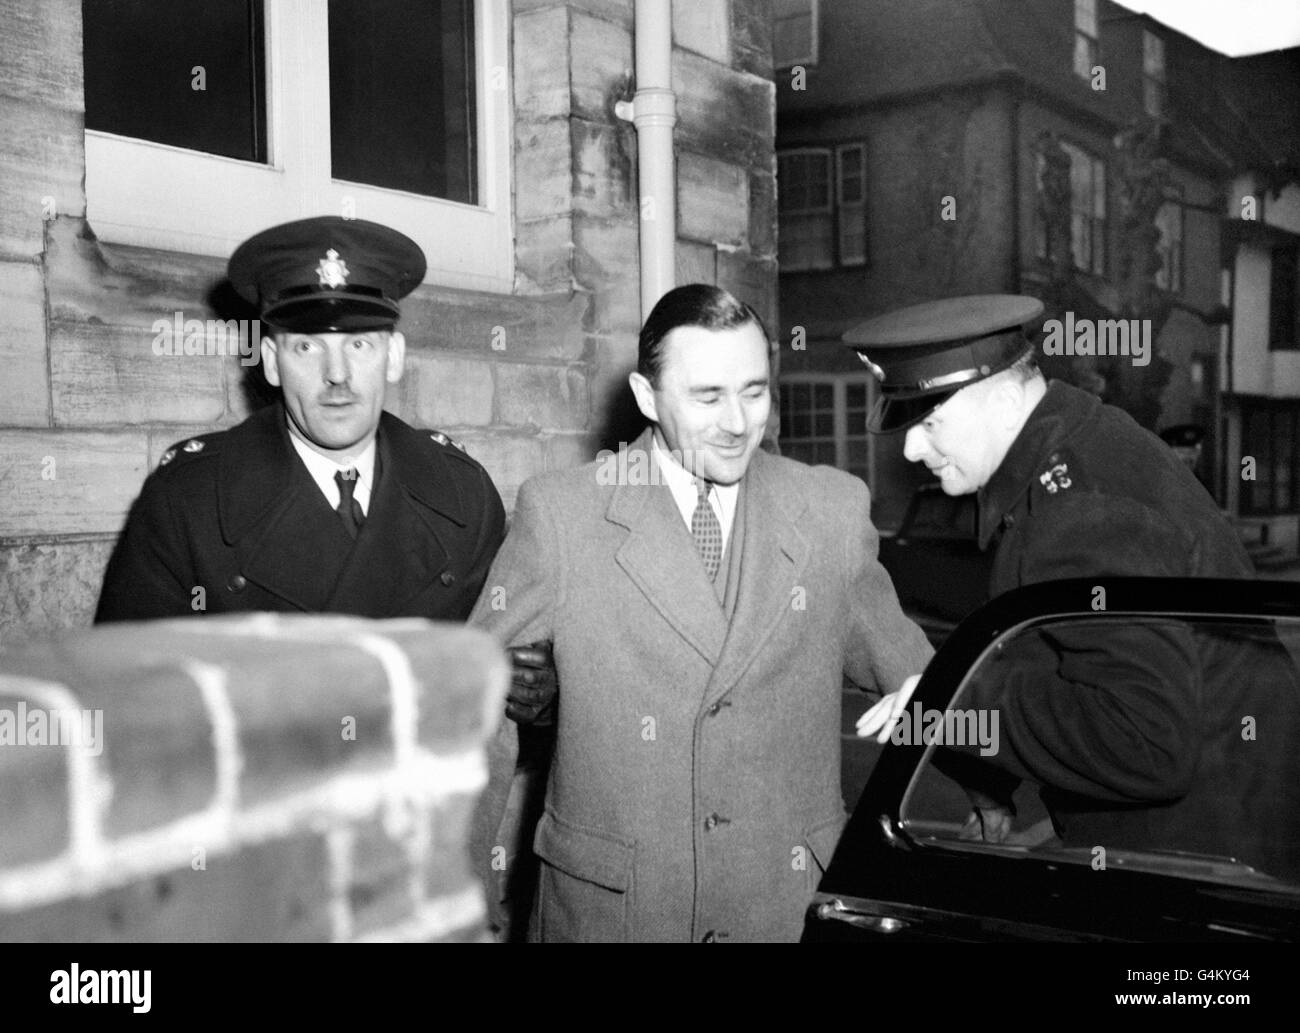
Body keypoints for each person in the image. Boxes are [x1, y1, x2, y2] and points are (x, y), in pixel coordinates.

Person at [469, 284, 932, 942]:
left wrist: (979, 793)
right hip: (616, 916)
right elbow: (473, 714)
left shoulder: (829, 513)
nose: (739, 422)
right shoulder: (564, 516)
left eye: (755, 390)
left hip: (782, 910)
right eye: (708, 396)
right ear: (645, 396)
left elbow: (923, 684)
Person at [848, 295, 1300, 879]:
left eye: (930, 421)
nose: (911, 448)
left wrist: (951, 705)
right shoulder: (1086, 446)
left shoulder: (1076, 510)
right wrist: (990, 777)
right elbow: (1068, 662)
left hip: (1202, 868)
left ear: (1009, 399)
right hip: (1234, 839)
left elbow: (1144, 740)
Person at [95, 216, 552, 726]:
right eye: (307, 346)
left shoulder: (461, 495)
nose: (337, 376)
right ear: (270, 361)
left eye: (359, 345)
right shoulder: (189, 500)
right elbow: (127, 703)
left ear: (393, 357)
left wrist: (538, 695)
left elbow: (506, 661)